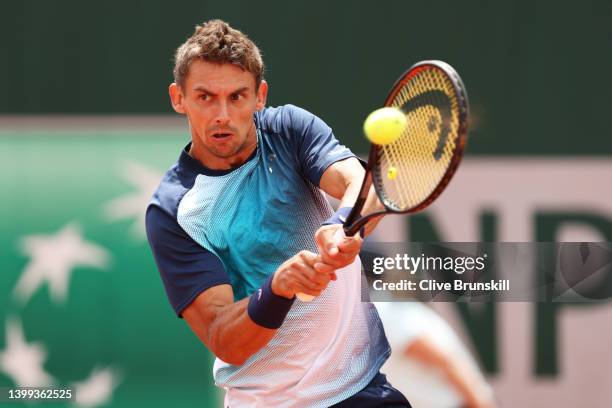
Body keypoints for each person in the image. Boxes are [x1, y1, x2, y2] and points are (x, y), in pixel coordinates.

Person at [145, 20, 410, 407]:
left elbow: (364, 184)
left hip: (362, 387)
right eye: (205, 97)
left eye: (237, 97)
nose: (222, 114)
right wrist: (278, 288)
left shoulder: (289, 130)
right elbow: (224, 339)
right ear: (178, 97)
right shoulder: (173, 209)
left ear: (259, 96)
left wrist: (342, 226)